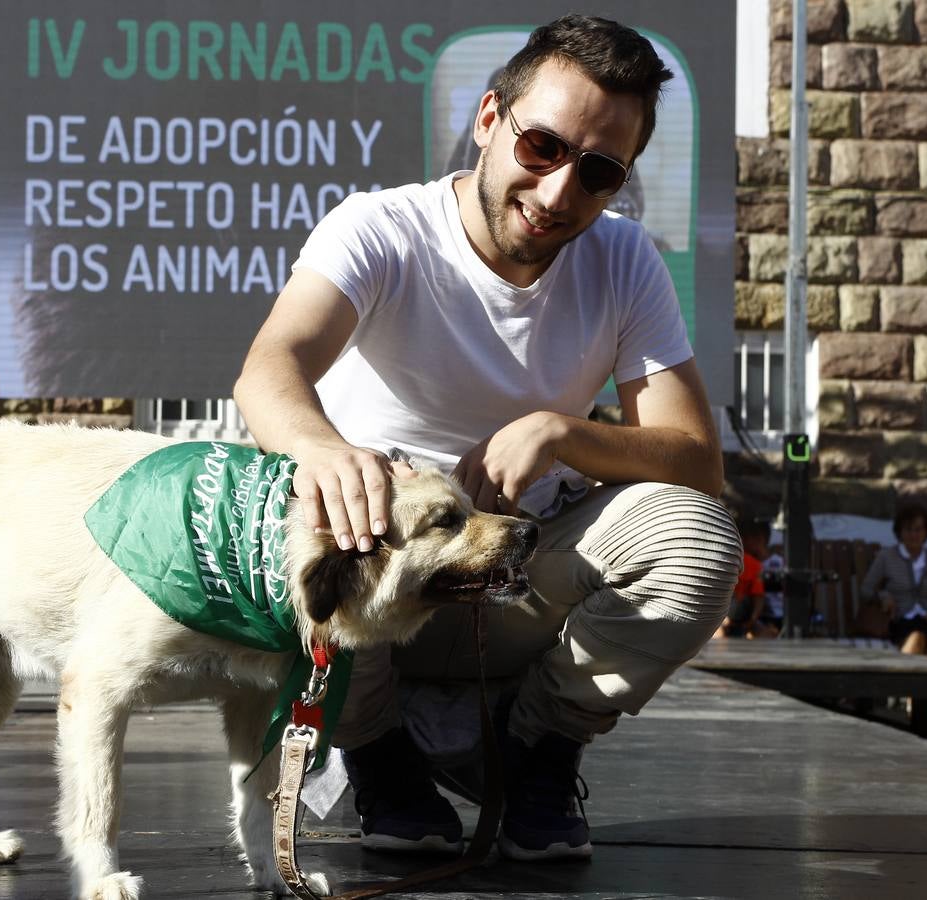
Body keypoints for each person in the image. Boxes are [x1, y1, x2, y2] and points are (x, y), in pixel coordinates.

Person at [233, 16, 740, 861]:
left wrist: (561, 433)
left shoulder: (623, 261)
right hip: (372, 586)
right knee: (285, 519)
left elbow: (696, 459)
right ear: (488, 120)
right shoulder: (382, 228)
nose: (556, 194)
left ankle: (540, 752)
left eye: (598, 171)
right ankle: (376, 757)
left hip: (510, 586)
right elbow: (269, 368)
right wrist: (325, 451)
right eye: (542, 145)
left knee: (695, 534)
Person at [859, 505, 927, 659]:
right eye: (908, 529)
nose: (913, 535)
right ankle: (906, 680)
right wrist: (884, 596)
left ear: (926, 532)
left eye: (918, 529)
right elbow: (865, 590)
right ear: (900, 532)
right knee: (917, 637)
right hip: (901, 619)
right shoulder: (886, 557)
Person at [717, 518, 777, 639]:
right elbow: (758, 598)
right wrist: (752, 620)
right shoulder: (754, 564)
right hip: (729, 617)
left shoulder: (751, 564)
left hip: (729, 617)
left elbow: (758, 596)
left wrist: (750, 621)